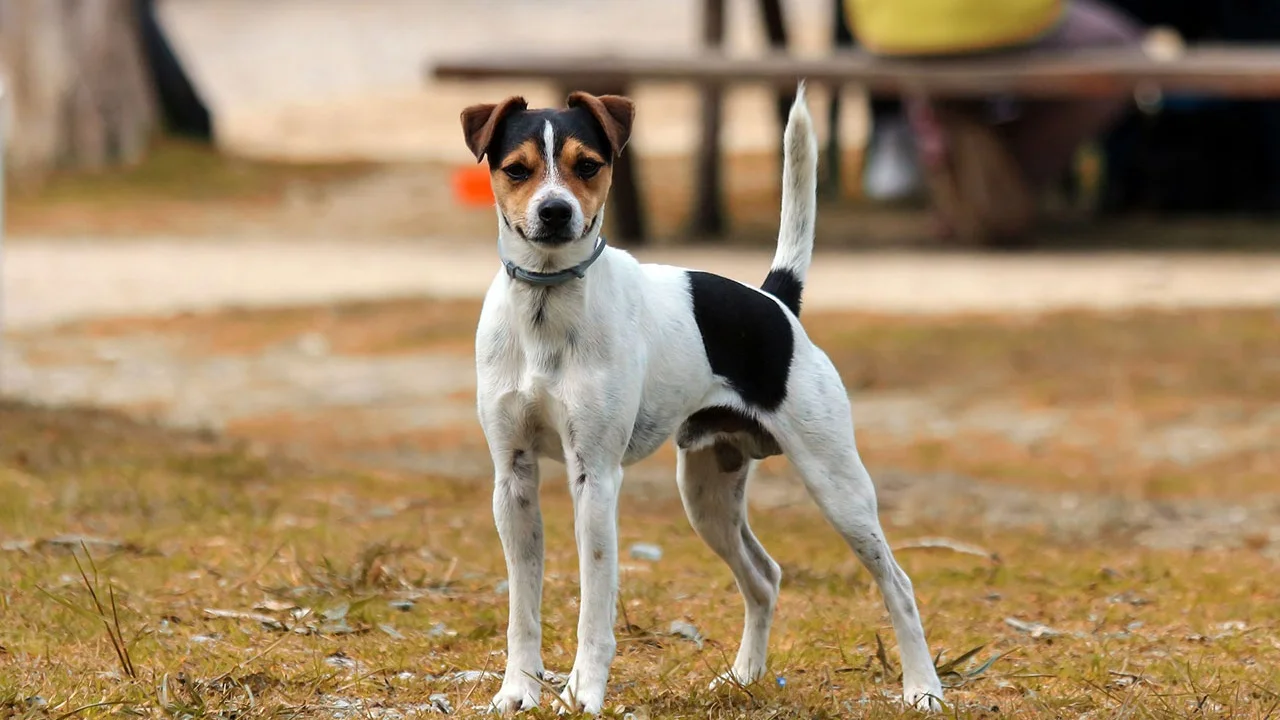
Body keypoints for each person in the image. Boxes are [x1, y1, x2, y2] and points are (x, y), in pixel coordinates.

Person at [843, 0, 1144, 244]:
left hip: (890, 23)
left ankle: (965, 175)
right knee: (1123, 48)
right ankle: (1004, 175)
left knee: (934, 69)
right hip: (1007, 19)